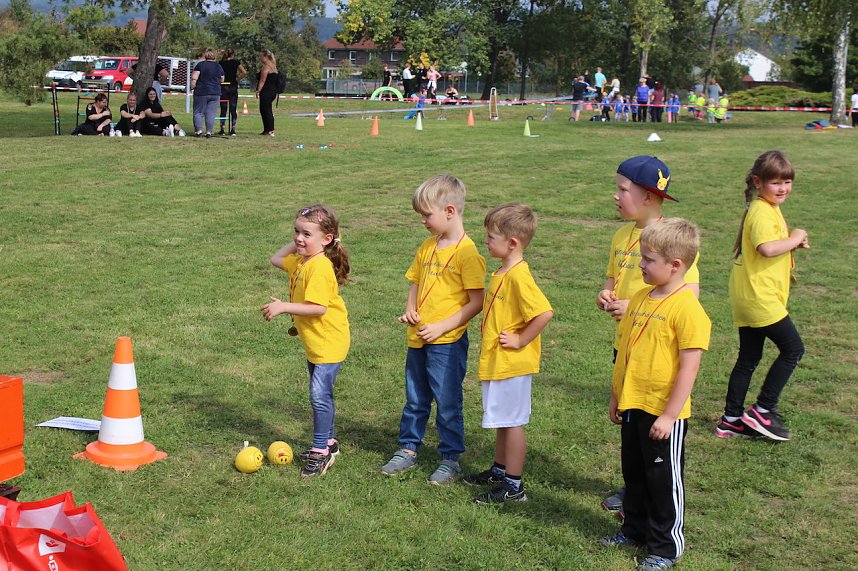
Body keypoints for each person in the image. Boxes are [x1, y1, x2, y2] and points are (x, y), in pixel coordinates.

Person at [601, 218, 711, 571]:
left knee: (663, 480)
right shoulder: (640, 298)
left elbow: (688, 369)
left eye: (648, 260)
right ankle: (633, 529)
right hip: (633, 403)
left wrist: (668, 415)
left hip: (665, 412)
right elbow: (628, 351)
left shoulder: (688, 310)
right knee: (633, 471)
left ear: (675, 266)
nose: (641, 265)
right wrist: (618, 394)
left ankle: (665, 547)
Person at [596, 156, 701, 519]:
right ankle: (634, 486)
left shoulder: (670, 242)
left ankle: (647, 496)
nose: (616, 196)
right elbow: (612, 281)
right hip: (626, 347)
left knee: (652, 428)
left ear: (648, 197)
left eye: (622, 189)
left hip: (657, 354)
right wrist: (607, 296)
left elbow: (690, 296)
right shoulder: (621, 236)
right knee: (631, 423)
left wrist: (639, 309)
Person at [380, 174, 486, 484]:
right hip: (418, 338)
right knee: (415, 397)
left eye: (427, 215)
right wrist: (410, 308)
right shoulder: (427, 247)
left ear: (450, 211)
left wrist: (441, 327)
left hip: (448, 343)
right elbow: (415, 280)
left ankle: (450, 458)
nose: (423, 221)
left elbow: (476, 302)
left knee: (448, 401)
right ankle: (408, 448)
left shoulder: (468, 254)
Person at [463, 203, 553, 504]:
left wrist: (520, 340)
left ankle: (514, 487)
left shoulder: (518, 276)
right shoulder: (503, 270)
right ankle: (500, 471)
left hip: (512, 364)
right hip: (498, 361)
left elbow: (543, 313)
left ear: (512, 243)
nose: (485, 241)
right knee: (501, 419)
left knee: (512, 422)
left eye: (490, 237)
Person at [715, 151, 808, 442]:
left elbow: (770, 246)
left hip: (751, 295)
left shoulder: (766, 207)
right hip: (759, 298)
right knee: (793, 349)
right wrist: (796, 236)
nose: (782, 188)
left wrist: (792, 242)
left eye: (787, 182)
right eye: (775, 182)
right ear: (758, 181)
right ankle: (763, 409)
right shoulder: (761, 210)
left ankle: (731, 419)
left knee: (749, 358)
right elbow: (766, 248)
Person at [262, 204, 351, 478]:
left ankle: (320, 452)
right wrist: (302, 240)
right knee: (322, 395)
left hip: (329, 342)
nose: (299, 238)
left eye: (306, 234)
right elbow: (276, 258)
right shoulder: (303, 262)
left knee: (318, 397)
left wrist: (285, 307)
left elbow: (318, 307)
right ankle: (329, 442)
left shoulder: (320, 267)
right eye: (296, 232)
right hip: (317, 342)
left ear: (326, 239)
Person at [191, 48, 225, 138]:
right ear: (214, 57)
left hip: (201, 91)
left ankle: (198, 131)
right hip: (215, 92)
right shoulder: (218, 66)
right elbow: (222, 79)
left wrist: (192, 86)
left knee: (198, 112)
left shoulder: (200, 65)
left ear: (206, 56)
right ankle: (209, 131)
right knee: (211, 113)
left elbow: (194, 77)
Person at [218, 48, 247, 136]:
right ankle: (233, 129)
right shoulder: (236, 62)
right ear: (233, 54)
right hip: (232, 86)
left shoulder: (221, 63)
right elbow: (244, 72)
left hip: (223, 86)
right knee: (233, 108)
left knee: (223, 108)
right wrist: (237, 79)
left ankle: (222, 129)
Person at [256, 49, 278, 136]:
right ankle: (267, 129)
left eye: (260, 56)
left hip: (266, 91)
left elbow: (262, 80)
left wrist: (258, 90)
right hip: (273, 91)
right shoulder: (274, 66)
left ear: (265, 56)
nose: (259, 58)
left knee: (266, 110)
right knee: (265, 110)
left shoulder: (266, 67)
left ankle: (270, 130)